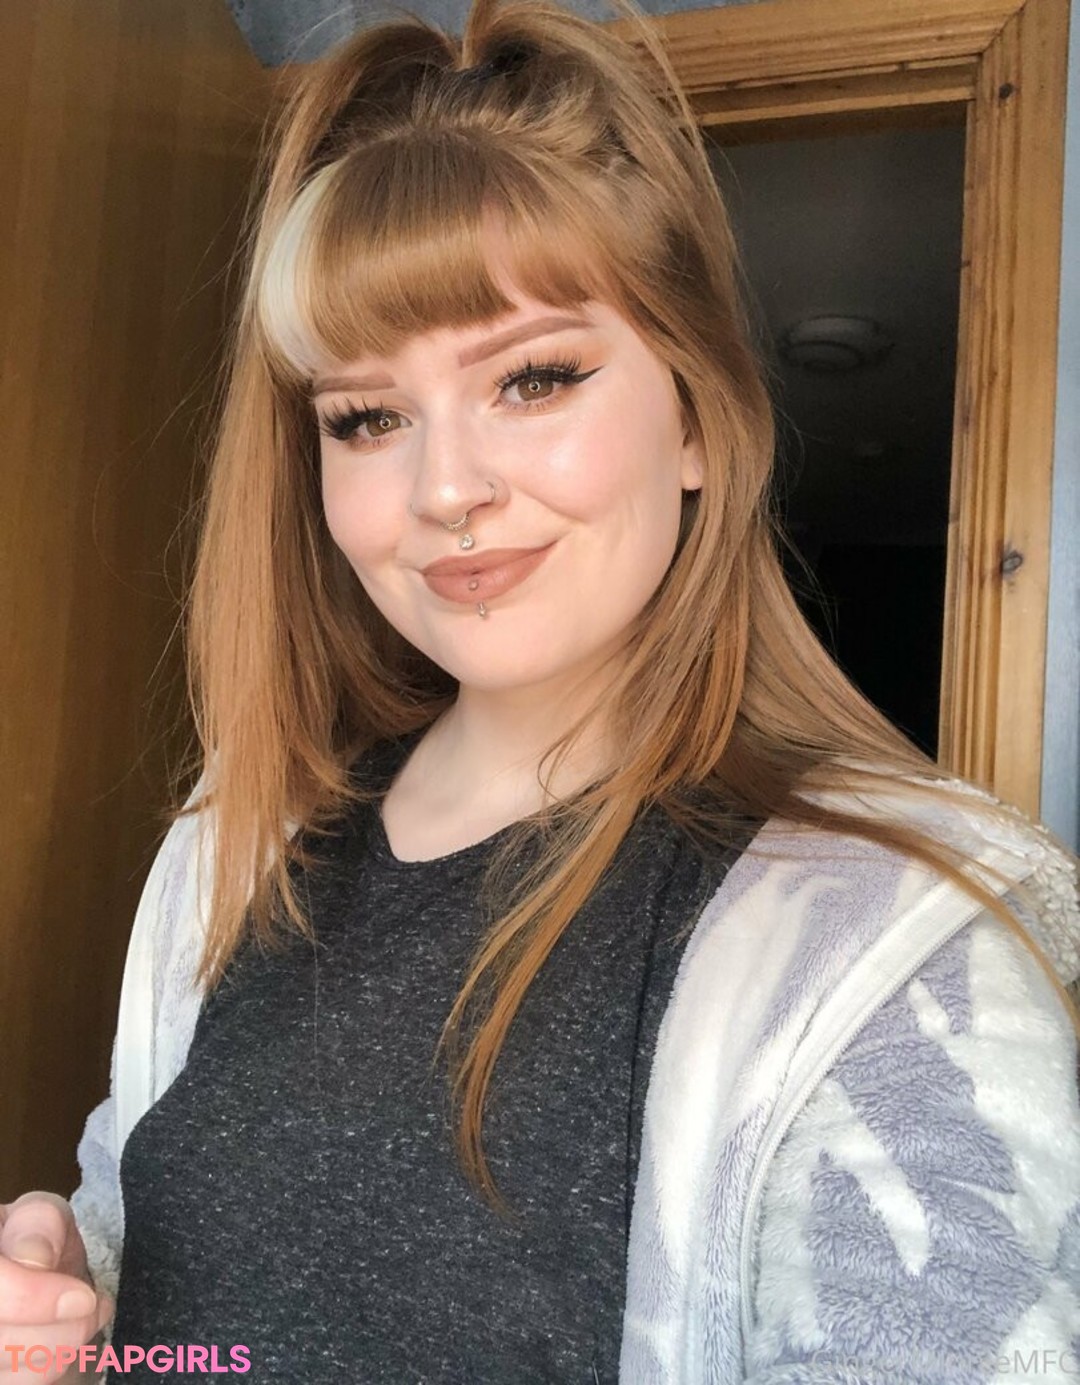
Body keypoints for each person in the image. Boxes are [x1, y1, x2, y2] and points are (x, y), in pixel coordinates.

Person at [3, 0, 1080, 1378]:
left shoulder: (898, 945)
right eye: (367, 417)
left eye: (534, 378)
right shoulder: (240, 844)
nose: (444, 488)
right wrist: (68, 1302)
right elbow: (149, 1252)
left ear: (697, 418)